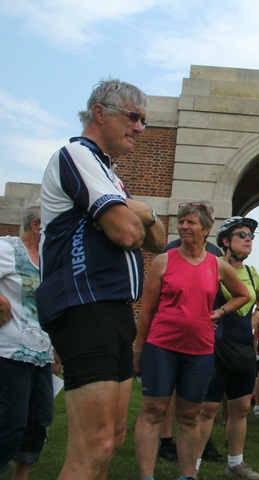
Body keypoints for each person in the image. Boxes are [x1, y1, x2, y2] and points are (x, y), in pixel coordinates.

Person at [37, 79, 167, 480]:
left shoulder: (112, 176)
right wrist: (139, 216)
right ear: (100, 112)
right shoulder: (77, 155)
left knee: (112, 439)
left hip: (111, 309)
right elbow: (128, 235)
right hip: (82, 305)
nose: (140, 128)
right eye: (133, 117)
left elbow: (159, 242)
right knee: (94, 445)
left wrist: (138, 209)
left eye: (144, 120)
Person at [132, 202, 250, 480]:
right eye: (182, 222)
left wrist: (220, 311)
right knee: (153, 411)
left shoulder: (217, 265)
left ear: (206, 230)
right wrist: (138, 350)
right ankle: (146, 477)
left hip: (199, 352)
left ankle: (187, 476)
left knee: (189, 416)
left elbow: (243, 295)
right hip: (161, 347)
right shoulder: (164, 260)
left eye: (191, 222)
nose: (183, 226)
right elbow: (147, 310)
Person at [196, 216, 259, 480]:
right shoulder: (211, 267)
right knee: (206, 410)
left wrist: (258, 314)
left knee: (240, 409)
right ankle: (190, 469)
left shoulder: (251, 273)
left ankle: (235, 465)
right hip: (213, 349)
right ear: (226, 241)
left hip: (242, 349)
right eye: (242, 235)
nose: (249, 239)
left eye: (250, 235)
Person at [0, 202, 55, 479]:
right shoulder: (7, 248)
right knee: (10, 423)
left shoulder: (49, 259)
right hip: (9, 353)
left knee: (38, 423)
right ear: (36, 226)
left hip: (41, 356)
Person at [158, 239, 224, 464]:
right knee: (168, 391)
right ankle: (166, 440)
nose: (187, 225)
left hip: (201, 334)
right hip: (171, 332)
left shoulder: (215, 254)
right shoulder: (171, 250)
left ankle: (198, 442)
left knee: (198, 397)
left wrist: (217, 312)